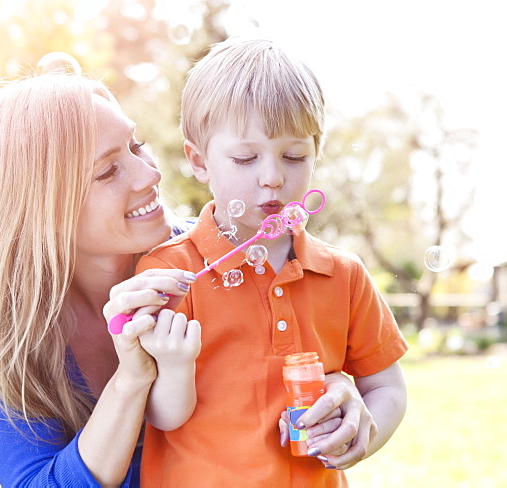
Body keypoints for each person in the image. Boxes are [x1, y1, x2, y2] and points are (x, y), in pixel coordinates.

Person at [0, 53, 375, 487]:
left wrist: (340, 393)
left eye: (136, 146)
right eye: (107, 172)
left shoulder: (210, 258)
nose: (149, 175)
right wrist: (133, 378)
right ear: (38, 209)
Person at [135, 37, 409, 486]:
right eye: (245, 158)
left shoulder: (343, 276)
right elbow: (162, 417)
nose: (273, 177)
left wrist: (365, 433)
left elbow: (387, 388)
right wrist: (176, 364)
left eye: (294, 155)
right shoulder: (169, 274)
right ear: (199, 161)